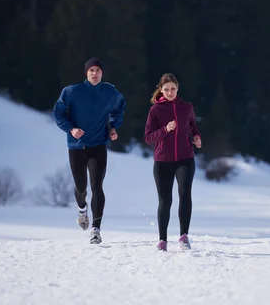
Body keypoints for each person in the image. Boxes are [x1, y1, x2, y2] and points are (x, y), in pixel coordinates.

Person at [53, 57, 126, 244]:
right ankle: (82, 209)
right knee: (81, 188)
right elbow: (58, 112)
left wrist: (113, 127)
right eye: (91, 70)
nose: (95, 74)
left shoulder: (110, 91)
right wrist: (71, 129)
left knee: (97, 186)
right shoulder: (72, 92)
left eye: (98, 71)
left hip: (98, 146)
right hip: (76, 147)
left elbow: (120, 107)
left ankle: (96, 229)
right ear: (86, 73)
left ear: (102, 73)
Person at [144, 73, 202, 251]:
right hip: (163, 161)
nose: (170, 92)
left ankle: (184, 237)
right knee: (165, 201)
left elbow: (191, 123)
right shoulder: (155, 110)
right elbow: (148, 137)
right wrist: (165, 129)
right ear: (161, 90)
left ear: (178, 89)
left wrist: (197, 136)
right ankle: (162, 240)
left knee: (185, 195)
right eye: (166, 89)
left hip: (185, 159)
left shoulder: (186, 107)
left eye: (173, 89)